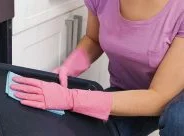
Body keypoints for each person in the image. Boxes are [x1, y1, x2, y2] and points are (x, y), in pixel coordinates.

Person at [10, 0, 184, 135]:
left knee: (178, 120)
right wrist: (68, 68)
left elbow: (158, 98)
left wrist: (72, 98)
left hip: (174, 98)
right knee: (88, 128)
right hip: (127, 90)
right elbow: (93, 39)